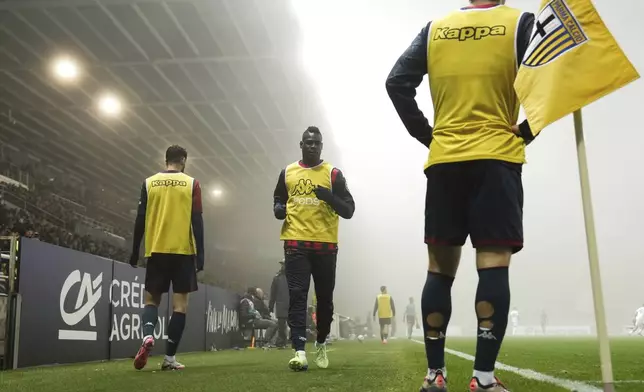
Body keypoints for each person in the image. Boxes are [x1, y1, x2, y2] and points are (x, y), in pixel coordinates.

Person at [385, 0, 535, 390]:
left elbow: (396, 82)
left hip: (446, 160)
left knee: (439, 268)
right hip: (496, 158)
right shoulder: (519, 23)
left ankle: (435, 376)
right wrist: (529, 128)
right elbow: (557, 78)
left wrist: (427, 134)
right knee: (493, 263)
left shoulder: (435, 28)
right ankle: (483, 378)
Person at [273, 126, 355, 371]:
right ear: (301, 144)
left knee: (325, 300)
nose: (312, 146)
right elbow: (278, 198)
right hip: (295, 243)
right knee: (297, 297)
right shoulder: (287, 172)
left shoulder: (333, 174)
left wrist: (328, 197)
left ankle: (320, 343)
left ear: (321, 146)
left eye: (317, 143)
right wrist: (278, 209)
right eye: (308, 142)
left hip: (325, 246)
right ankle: (299, 351)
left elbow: (349, 210)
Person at [129, 145, 205, 371]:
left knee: (151, 300)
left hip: (156, 249)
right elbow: (197, 221)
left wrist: (134, 249)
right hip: (183, 251)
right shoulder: (193, 184)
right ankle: (169, 358)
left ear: (166, 160)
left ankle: (148, 336)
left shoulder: (149, 182)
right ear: (183, 160)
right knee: (179, 307)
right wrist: (201, 254)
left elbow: (140, 218)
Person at [269, 259, 290, 348]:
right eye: (282, 264)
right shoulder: (277, 278)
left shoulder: (294, 276)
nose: (283, 266)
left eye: (284, 264)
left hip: (291, 304)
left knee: (294, 325)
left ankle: (295, 342)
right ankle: (281, 342)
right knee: (281, 326)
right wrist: (271, 306)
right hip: (281, 304)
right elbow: (273, 293)